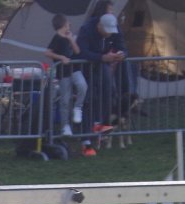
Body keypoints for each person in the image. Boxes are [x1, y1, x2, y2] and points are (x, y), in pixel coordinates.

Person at [76, 1, 126, 156]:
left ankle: (102, 124)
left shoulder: (113, 26)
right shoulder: (86, 29)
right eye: (107, 31)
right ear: (99, 25)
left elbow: (122, 46)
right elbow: (82, 53)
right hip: (85, 68)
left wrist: (121, 54)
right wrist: (102, 57)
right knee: (89, 100)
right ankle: (86, 140)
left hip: (102, 64)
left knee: (108, 91)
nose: (109, 34)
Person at [45, 14, 88, 137]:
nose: (70, 26)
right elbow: (47, 52)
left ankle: (77, 107)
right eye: (68, 24)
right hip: (63, 72)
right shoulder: (57, 38)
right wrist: (61, 57)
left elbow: (77, 51)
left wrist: (71, 40)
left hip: (74, 69)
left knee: (82, 86)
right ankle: (65, 126)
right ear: (63, 25)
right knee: (65, 100)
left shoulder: (70, 37)